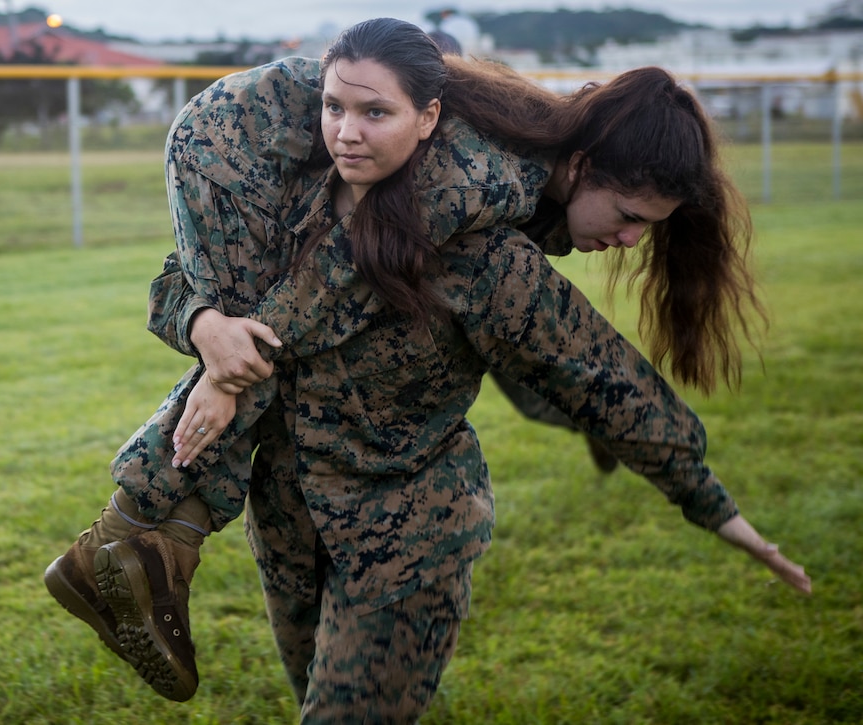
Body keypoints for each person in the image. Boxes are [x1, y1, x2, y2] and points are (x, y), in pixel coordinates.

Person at [46, 19, 809, 718]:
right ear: (580, 168)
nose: (630, 241)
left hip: (406, 529)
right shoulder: (326, 195)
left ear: (428, 119)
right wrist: (206, 324)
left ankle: (146, 529)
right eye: (630, 217)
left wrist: (710, 501)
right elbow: (174, 286)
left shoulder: (489, 254)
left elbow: (599, 376)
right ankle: (147, 535)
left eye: (373, 112)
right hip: (289, 514)